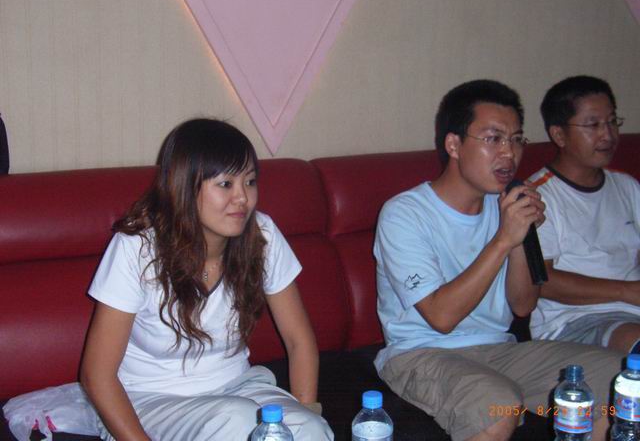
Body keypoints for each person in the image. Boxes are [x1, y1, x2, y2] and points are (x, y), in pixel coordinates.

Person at [373, 80, 622, 441]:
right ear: (454, 145)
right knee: (496, 408)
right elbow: (441, 317)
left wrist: (520, 239)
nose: (509, 153)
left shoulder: (508, 204)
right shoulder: (404, 213)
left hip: (500, 350)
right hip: (420, 353)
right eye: (493, 139)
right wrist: (504, 238)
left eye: (516, 139)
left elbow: (522, 305)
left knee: (619, 382)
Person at [80, 119, 333, 440]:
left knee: (310, 429)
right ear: (185, 187)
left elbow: (299, 339)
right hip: (149, 401)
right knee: (237, 420)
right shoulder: (137, 249)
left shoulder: (262, 234)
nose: (242, 198)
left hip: (238, 388)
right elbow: (97, 375)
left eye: (250, 182)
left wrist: (305, 412)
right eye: (226, 184)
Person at [528, 75, 640, 352]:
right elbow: (543, 282)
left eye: (612, 122)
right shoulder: (537, 196)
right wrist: (627, 291)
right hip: (574, 321)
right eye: (593, 125)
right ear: (559, 135)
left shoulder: (626, 186)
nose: (608, 135)